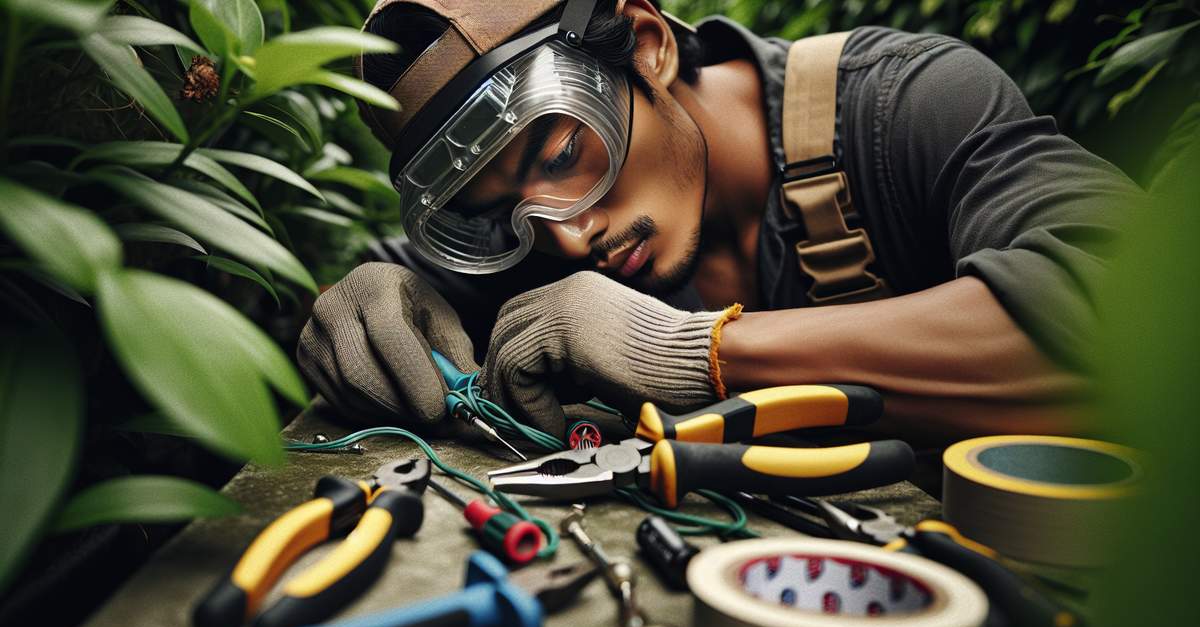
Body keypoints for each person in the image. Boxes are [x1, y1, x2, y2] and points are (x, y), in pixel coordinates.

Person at [297, 0, 1143, 443]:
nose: (563, 237)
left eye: (561, 157)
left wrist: (690, 354)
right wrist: (367, 303)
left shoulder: (905, 108)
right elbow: (386, 297)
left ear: (647, 43)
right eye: (496, 213)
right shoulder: (547, 242)